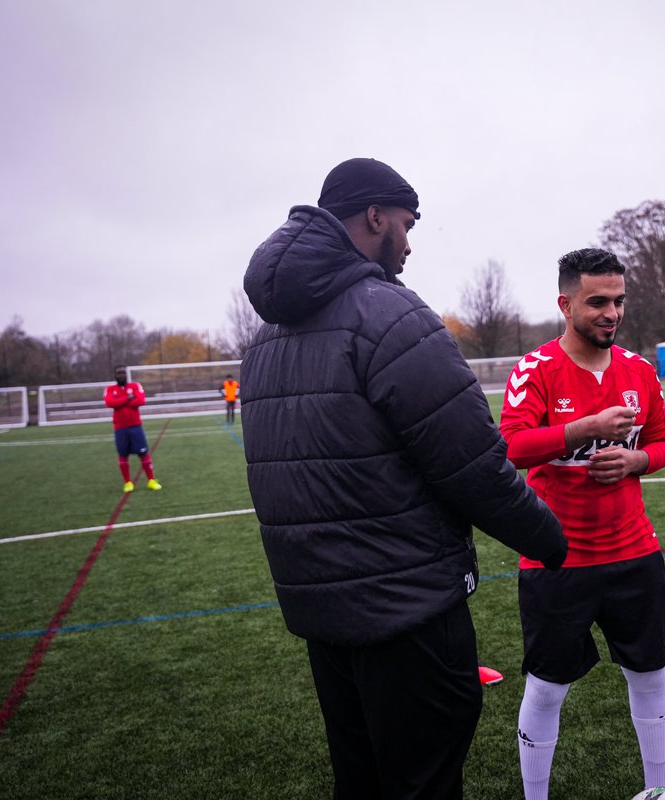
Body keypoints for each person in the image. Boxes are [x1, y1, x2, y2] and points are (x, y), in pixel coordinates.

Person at [240, 157, 566, 799]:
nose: (410, 242)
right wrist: (550, 540)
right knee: (423, 784)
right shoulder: (388, 314)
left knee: (360, 783)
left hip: (323, 615)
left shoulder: (267, 337)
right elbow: (473, 465)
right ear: (374, 217)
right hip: (405, 613)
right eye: (407, 224)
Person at [499, 247, 665, 800]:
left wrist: (636, 460)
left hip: (633, 550)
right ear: (565, 303)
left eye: (619, 301)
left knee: (650, 675)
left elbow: (663, 443)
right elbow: (508, 448)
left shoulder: (640, 371)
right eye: (597, 301)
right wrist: (584, 429)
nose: (611, 313)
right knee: (547, 689)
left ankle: (658, 790)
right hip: (557, 557)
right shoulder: (536, 369)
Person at [103, 365, 161, 493]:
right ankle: (128, 483)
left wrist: (120, 402)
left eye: (123, 373)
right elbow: (110, 403)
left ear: (126, 375)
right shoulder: (110, 389)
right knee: (123, 455)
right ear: (115, 376)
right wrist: (127, 399)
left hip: (135, 427)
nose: (121, 375)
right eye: (119, 373)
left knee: (143, 453)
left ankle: (151, 480)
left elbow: (140, 401)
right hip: (120, 428)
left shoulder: (135, 386)